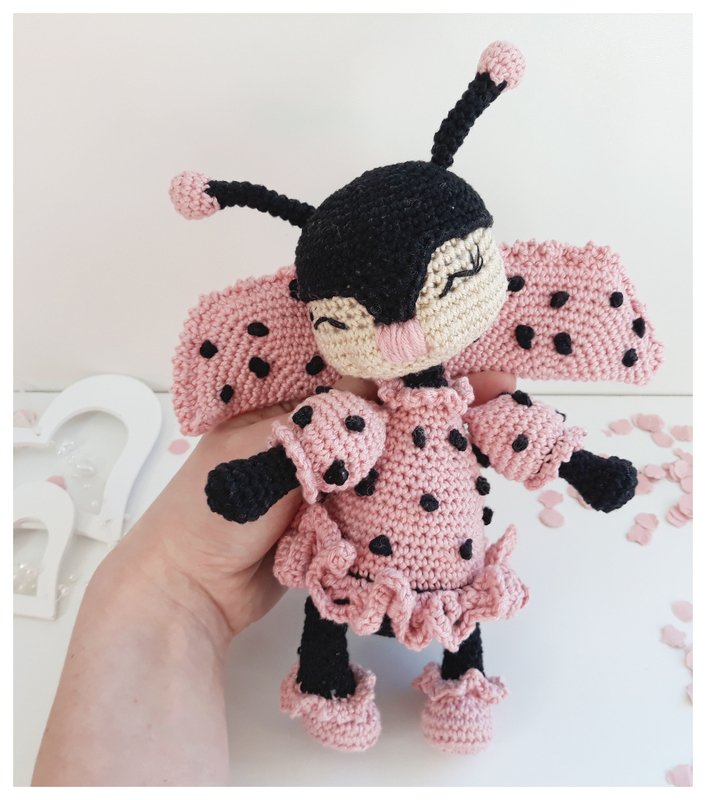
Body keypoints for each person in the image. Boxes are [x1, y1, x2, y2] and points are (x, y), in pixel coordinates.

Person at [31, 372, 515, 786]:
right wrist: (260, 479)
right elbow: (311, 447)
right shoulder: (353, 412)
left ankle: (463, 682)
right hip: (352, 564)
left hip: (454, 568)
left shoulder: (463, 411)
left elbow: (519, 437)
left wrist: (558, 451)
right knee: (329, 605)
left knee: (456, 619)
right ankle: (325, 687)